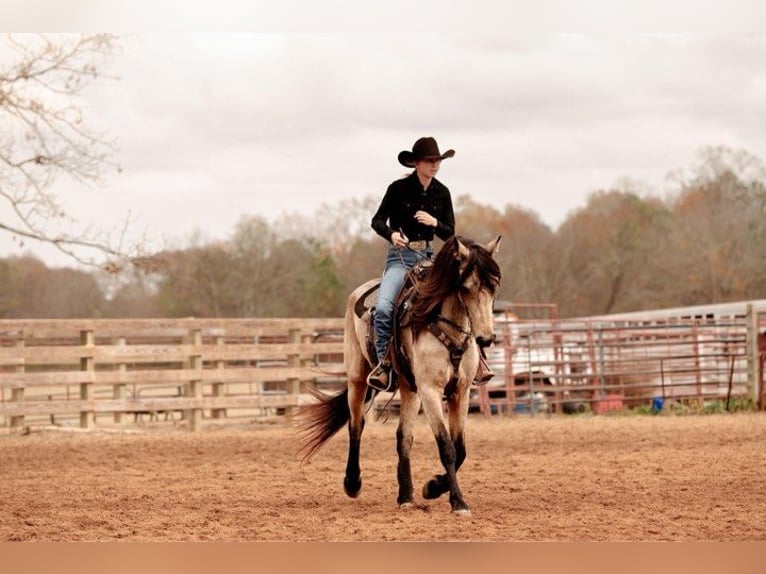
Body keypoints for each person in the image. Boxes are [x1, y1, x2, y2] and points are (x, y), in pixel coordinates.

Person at [366, 136, 457, 392]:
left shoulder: (442, 192)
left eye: (437, 161)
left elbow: (450, 234)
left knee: (461, 301)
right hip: (400, 258)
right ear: (416, 163)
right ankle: (384, 364)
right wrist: (392, 234)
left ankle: (472, 362)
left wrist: (434, 223)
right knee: (384, 308)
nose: (435, 165)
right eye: (430, 161)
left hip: (430, 259)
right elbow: (377, 221)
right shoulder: (397, 189)